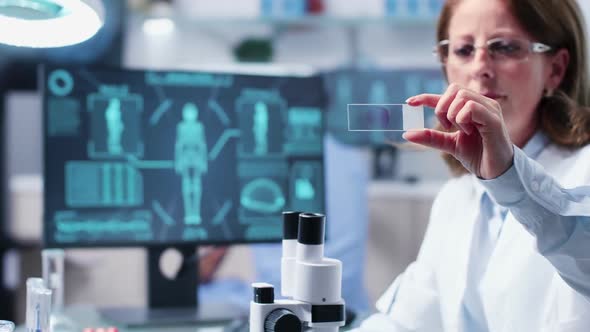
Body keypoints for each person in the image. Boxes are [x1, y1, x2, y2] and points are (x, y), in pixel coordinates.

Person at [358, 0, 590, 331]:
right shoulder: (457, 199)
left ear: (555, 69)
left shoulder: (584, 169)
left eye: (505, 47)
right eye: (464, 50)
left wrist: (509, 179)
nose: (480, 67)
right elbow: (408, 321)